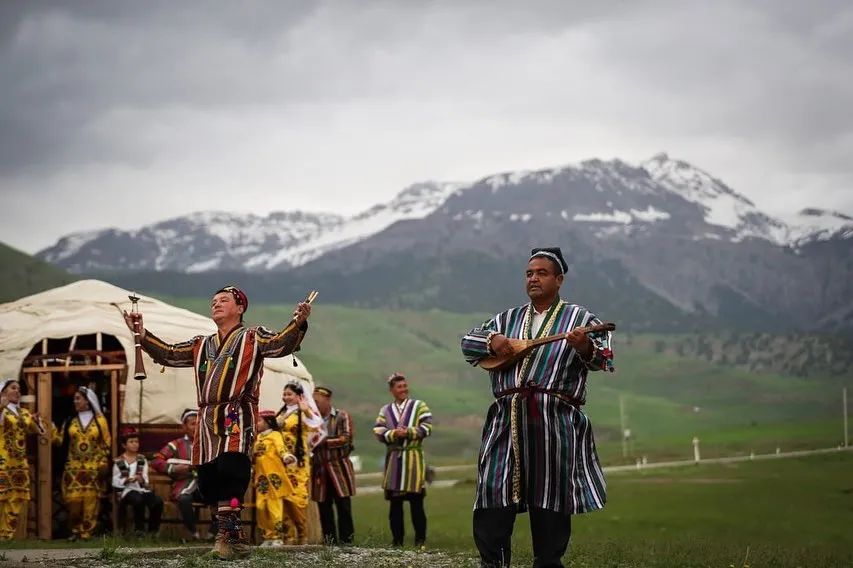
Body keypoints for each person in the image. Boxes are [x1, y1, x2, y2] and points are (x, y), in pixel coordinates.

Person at [125, 285, 311, 560]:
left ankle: (224, 538)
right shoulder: (202, 344)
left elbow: (281, 344)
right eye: (213, 301)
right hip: (206, 417)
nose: (216, 304)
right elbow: (169, 354)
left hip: (237, 414)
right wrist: (142, 334)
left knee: (231, 473)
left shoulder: (252, 337)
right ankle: (233, 537)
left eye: (224, 300)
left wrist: (298, 322)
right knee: (210, 480)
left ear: (240, 308)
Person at [460, 247, 615, 568]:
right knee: (493, 489)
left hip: (554, 420)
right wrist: (493, 342)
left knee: (551, 496)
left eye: (541, 273)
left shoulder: (583, 320)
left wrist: (584, 345)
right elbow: (468, 342)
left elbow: (603, 358)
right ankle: (493, 563)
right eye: (529, 273)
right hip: (506, 418)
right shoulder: (507, 319)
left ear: (559, 280)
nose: (533, 278)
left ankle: (547, 563)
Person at [373, 373, 433, 548]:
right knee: (395, 505)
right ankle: (397, 541)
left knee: (417, 504)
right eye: (399, 387)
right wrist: (393, 434)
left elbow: (427, 427)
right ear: (392, 390)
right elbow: (378, 430)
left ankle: (420, 540)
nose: (403, 389)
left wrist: (408, 432)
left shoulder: (419, 406)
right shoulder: (385, 410)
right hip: (394, 461)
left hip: (413, 460)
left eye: (405, 386)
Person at [51, 386, 111, 541]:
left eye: (78, 398)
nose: (75, 401)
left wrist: (103, 463)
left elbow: (106, 444)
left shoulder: (100, 421)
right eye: (74, 399)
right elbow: (60, 440)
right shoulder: (70, 420)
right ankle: (74, 530)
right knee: (73, 501)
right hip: (73, 468)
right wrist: (49, 430)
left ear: (87, 401)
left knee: (91, 502)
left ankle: (85, 533)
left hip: (93, 468)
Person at [275, 381, 324, 545]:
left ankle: (301, 533)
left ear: (299, 397)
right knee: (283, 495)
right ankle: (288, 536)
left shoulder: (303, 413)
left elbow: (317, 425)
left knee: (296, 496)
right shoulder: (281, 414)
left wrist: (306, 411)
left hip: (298, 462)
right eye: (284, 394)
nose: (286, 397)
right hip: (282, 461)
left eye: (289, 394)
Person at [0, 379, 46, 540]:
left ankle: (6, 535)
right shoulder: (2, 411)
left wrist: (36, 421)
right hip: (3, 460)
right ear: (3, 391)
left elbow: (41, 432)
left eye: (19, 389)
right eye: (13, 388)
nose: (17, 391)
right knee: (2, 496)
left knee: (16, 498)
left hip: (19, 463)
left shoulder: (24, 413)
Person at [150, 408, 205, 540]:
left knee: (220, 497)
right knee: (184, 498)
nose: (196, 427)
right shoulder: (176, 444)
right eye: (193, 424)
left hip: (204, 484)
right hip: (184, 483)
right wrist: (175, 469)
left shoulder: (207, 443)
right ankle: (193, 534)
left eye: (199, 424)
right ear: (184, 426)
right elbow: (156, 461)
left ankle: (214, 534)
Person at [311, 386, 356, 545]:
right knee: (324, 507)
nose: (315, 404)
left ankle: (347, 541)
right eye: (313, 401)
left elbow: (346, 438)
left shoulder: (342, 416)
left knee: (343, 505)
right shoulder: (311, 419)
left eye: (317, 401)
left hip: (339, 468)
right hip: (319, 470)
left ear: (327, 400)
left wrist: (323, 442)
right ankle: (330, 541)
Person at [252, 410, 292, 547]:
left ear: (268, 422)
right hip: (261, 479)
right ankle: (267, 536)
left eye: (259, 421)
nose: (256, 423)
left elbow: (281, 448)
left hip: (274, 478)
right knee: (261, 507)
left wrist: (286, 456)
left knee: (274, 507)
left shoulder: (275, 435)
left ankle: (277, 537)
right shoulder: (257, 438)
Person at [112, 427, 163, 536]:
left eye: (136, 441)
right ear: (124, 445)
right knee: (137, 499)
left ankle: (153, 531)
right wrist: (126, 480)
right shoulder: (118, 461)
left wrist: (141, 479)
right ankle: (139, 530)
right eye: (131, 442)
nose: (135, 444)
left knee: (157, 501)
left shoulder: (141, 459)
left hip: (140, 489)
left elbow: (145, 479)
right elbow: (115, 481)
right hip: (126, 491)